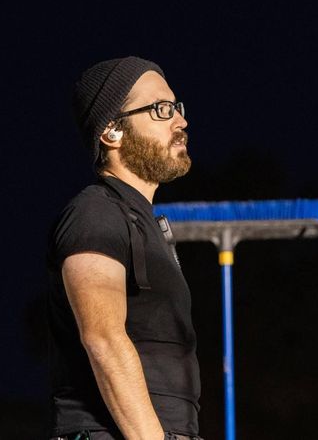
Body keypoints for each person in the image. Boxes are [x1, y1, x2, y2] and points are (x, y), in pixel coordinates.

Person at [47, 56, 202, 440]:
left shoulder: (143, 222)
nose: (180, 122)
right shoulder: (95, 211)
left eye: (177, 109)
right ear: (112, 131)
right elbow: (103, 337)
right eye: (161, 110)